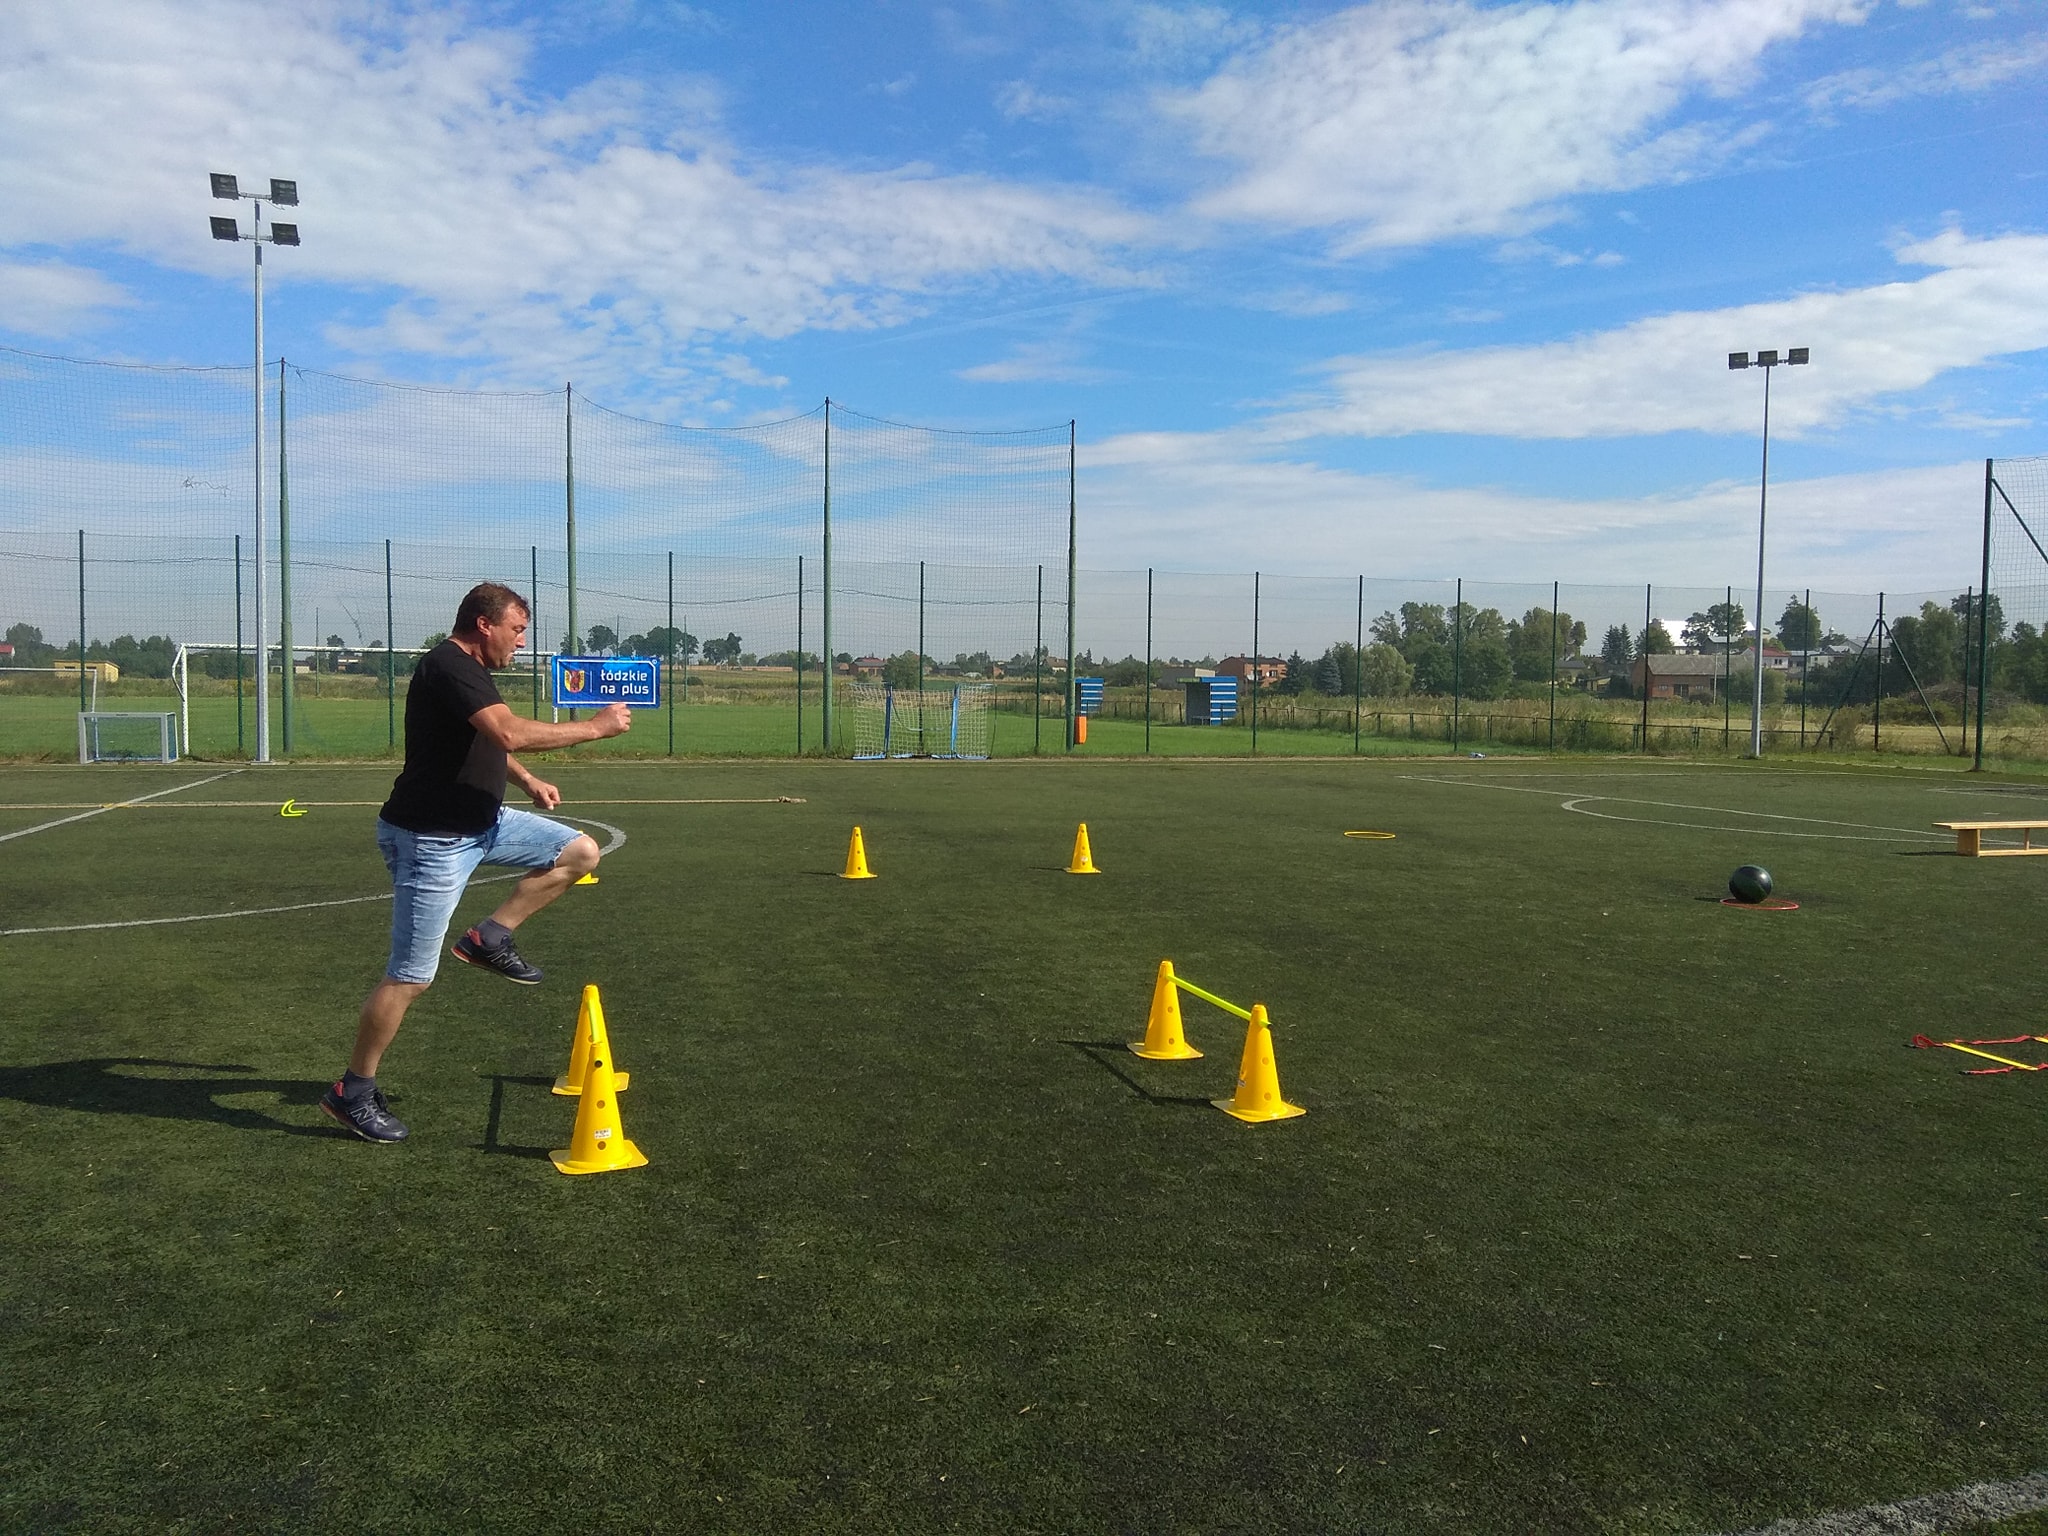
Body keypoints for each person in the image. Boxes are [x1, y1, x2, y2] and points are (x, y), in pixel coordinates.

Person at [322, 582, 631, 1143]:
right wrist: (596, 727)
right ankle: (353, 1092)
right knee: (410, 977)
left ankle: (489, 937)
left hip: (485, 823)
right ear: (484, 624)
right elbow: (508, 731)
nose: (521, 641)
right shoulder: (449, 665)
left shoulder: (471, 671)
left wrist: (528, 781)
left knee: (580, 852)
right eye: (517, 630)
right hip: (432, 839)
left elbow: (488, 742)